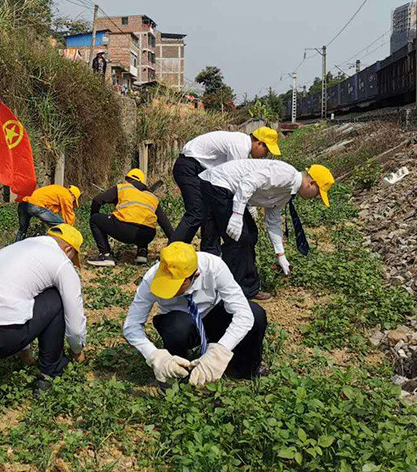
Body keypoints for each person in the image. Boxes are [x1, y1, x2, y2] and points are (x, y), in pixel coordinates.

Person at [0, 224, 87, 400]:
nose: (71, 261)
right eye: (73, 258)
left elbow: (17, 298)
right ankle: (49, 374)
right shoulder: (61, 261)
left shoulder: (19, 247)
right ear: (69, 250)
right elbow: (75, 322)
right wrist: (77, 350)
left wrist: (25, 353)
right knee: (56, 298)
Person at [123, 242, 267, 389]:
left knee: (256, 314)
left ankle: (244, 369)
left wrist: (219, 353)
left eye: (178, 285)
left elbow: (243, 314)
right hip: (180, 325)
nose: (171, 291)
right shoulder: (151, 278)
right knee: (177, 326)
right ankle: (175, 373)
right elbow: (131, 325)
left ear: (195, 275)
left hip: (213, 317)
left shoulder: (214, 267)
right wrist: (155, 356)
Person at [199, 159, 334, 300]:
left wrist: (281, 254)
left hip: (228, 189)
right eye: (318, 193)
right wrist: (237, 214)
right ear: (311, 183)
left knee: (249, 234)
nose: (315, 197)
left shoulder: (287, 192)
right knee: (240, 238)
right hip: (218, 183)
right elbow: (249, 182)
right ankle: (238, 290)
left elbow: (273, 221)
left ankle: (229, 283)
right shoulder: (286, 175)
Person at [171, 128, 282, 247]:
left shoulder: (241, 142)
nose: (265, 155)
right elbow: (235, 181)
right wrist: (248, 207)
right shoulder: (240, 147)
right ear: (259, 144)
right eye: (267, 150)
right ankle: (173, 251)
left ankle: (211, 251)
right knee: (196, 212)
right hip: (189, 168)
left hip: (199, 169)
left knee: (210, 210)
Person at [87, 168, 175, 267]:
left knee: (95, 219)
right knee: (143, 220)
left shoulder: (122, 188)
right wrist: (176, 243)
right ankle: (142, 252)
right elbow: (165, 224)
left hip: (124, 230)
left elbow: (97, 200)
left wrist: (95, 218)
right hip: (147, 235)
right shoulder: (152, 197)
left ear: (128, 179)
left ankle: (105, 255)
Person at [16, 183, 81, 241]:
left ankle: (16, 247)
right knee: (61, 226)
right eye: (74, 200)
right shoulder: (67, 195)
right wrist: (69, 229)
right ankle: (60, 244)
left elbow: (51, 209)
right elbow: (69, 213)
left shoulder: (58, 189)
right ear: (73, 195)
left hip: (23, 204)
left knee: (22, 230)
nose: (72, 202)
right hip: (35, 206)